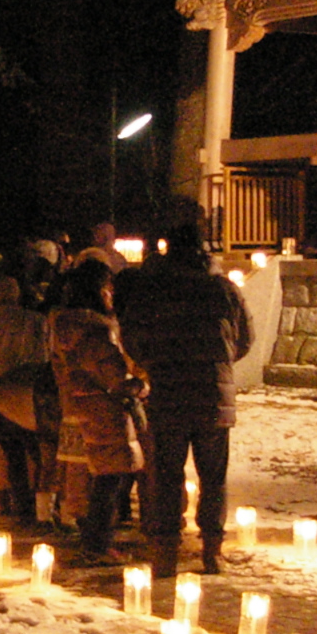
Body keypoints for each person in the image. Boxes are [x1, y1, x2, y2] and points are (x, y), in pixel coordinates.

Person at [116, 221, 254, 579]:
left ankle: (165, 552)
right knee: (213, 476)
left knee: (166, 475)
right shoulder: (223, 289)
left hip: (169, 392)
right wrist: (220, 362)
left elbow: (132, 334)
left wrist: (151, 363)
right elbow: (245, 338)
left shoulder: (154, 290)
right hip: (213, 394)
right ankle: (211, 550)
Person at [49, 259, 146, 561]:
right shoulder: (95, 333)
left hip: (82, 405)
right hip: (104, 411)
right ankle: (98, 544)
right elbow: (114, 376)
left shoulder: (65, 328)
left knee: (99, 478)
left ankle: (95, 540)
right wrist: (140, 385)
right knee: (110, 479)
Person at [0, 277, 51, 522]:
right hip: (33, 391)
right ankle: (43, 505)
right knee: (37, 451)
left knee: (12, 453)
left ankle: (21, 504)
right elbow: (47, 354)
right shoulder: (37, 322)